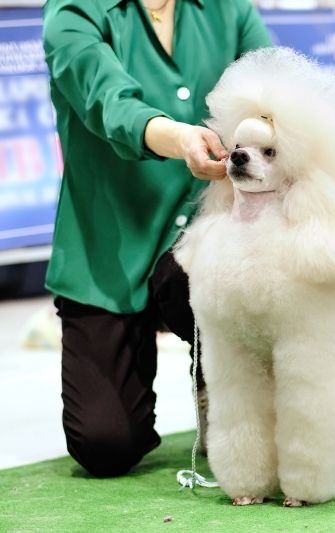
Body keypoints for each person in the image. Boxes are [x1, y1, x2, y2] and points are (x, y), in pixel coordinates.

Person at [42, 0, 271, 477]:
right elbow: (109, 103)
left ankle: (222, 386)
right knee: (106, 445)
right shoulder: (72, 12)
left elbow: (284, 98)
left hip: (207, 233)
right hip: (109, 250)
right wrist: (181, 139)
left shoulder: (228, 9)